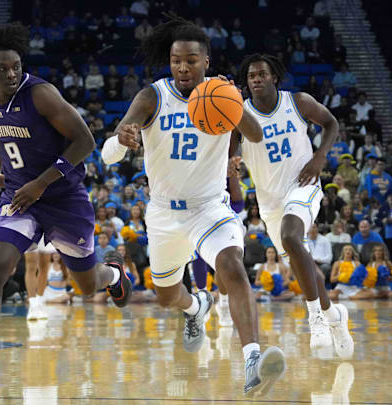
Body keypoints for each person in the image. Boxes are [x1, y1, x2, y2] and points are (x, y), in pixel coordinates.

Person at [0, 24, 130, 402]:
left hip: (63, 199)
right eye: (3, 68)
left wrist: (40, 183)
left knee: (87, 285)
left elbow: (85, 140)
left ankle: (114, 272)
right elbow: (1, 137)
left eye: (16, 66)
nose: (11, 73)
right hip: (19, 198)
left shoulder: (40, 94)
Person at [100, 16, 284, 394]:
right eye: (176, 60)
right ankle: (195, 308)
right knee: (166, 296)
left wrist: (235, 103)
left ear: (207, 62)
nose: (183, 67)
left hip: (209, 208)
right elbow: (107, 156)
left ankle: (252, 359)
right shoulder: (153, 96)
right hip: (164, 212)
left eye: (191, 60)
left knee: (232, 267)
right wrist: (122, 138)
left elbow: (256, 134)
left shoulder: (224, 94)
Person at [234, 53, 353, 359]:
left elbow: (330, 123)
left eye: (261, 74)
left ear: (274, 77)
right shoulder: (239, 115)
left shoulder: (298, 102)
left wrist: (320, 157)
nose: (256, 79)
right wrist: (232, 162)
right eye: (251, 76)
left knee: (290, 237)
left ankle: (315, 317)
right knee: (305, 267)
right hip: (269, 201)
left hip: (304, 186)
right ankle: (335, 317)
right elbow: (231, 151)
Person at [24, 237, 57, 321]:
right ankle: (33, 305)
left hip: (45, 229)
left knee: (44, 267)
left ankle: (39, 302)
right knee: (31, 266)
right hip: (30, 229)